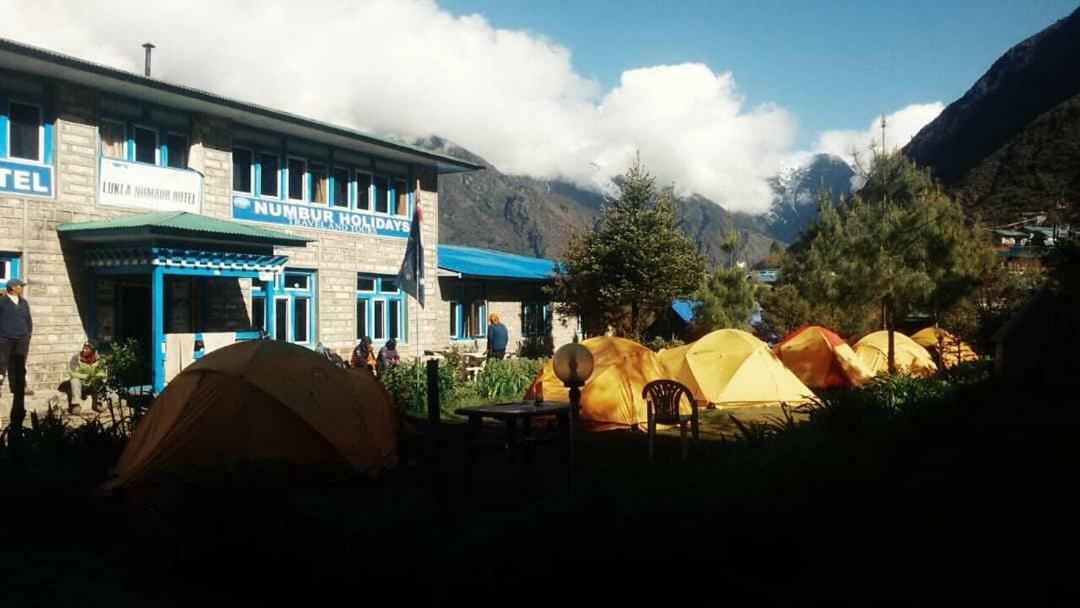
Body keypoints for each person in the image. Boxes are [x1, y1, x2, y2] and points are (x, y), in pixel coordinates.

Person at [0, 278, 33, 441]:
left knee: (20, 364)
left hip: (21, 338)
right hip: (5, 338)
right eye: (20, 286)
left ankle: (19, 387)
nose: (22, 288)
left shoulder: (23, 302)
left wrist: (28, 334)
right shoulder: (2, 302)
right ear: (13, 287)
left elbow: (28, 319)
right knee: (2, 363)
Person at [68, 342, 105, 414]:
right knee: (74, 381)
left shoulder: (98, 359)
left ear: (92, 351)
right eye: (83, 348)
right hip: (80, 381)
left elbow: (103, 373)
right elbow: (71, 372)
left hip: (93, 381)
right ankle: (76, 405)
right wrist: (85, 377)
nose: (83, 350)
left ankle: (97, 404)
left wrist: (96, 377)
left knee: (100, 381)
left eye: (87, 349)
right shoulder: (76, 357)